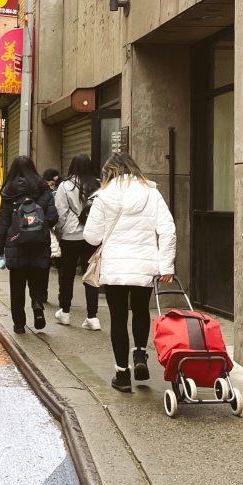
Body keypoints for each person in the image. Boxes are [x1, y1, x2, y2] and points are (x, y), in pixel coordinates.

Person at [83, 151, 175, 393]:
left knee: (118, 318)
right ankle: (141, 356)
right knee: (141, 310)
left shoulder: (103, 196)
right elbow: (168, 229)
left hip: (115, 266)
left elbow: (91, 237)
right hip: (144, 265)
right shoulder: (151, 192)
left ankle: (122, 375)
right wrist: (167, 266)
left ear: (110, 171)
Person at [0, 156, 58, 334]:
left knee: (17, 286)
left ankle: (19, 324)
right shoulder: (43, 190)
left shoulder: (9, 192)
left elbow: (3, 224)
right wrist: (39, 227)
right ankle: (37, 303)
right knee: (37, 279)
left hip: (16, 246)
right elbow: (53, 217)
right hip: (39, 244)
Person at [53, 155, 103, 330]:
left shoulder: (65, 186)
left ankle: (65, 312)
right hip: (91, 237)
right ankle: (92, 316)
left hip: (70, 236)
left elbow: (60, 212)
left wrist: (58, 231)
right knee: (91, 275)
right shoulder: (98, 185)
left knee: (67, 275)